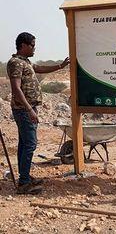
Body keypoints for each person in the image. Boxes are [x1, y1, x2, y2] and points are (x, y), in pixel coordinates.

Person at [7, 32, 69, 194]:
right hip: (23, 109)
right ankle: (24, 184)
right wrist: (29, 110)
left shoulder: (25, 62)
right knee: (30, 144)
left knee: (24, 143)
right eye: (32, 45)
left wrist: (60, 66)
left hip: (27, 108)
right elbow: (16, 88)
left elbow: (40, 68)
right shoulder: (15, 63)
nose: (35, 48)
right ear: (23, 45)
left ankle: (24, 177)